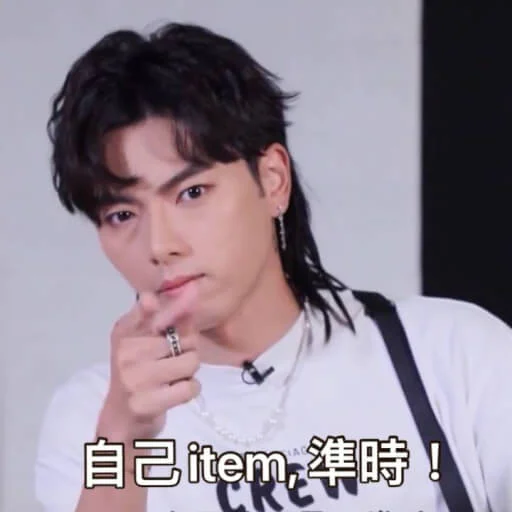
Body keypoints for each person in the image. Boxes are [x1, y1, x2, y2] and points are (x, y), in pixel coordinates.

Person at [35, 21, 512, 512]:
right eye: (122, 215)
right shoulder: (91, 418)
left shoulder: (451, 355)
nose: (159, 245)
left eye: (192, 193)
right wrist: (123, 438)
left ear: (273, 180)